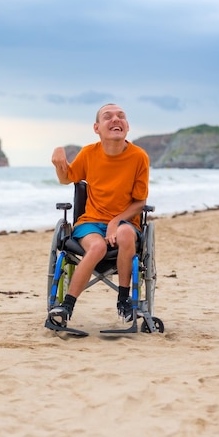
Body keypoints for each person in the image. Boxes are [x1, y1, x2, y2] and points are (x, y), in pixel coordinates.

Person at [49, 103, 149, 323]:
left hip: (126, 223)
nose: (116, 119)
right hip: (91, 223)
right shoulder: (89, 153)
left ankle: (124, 300)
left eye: (121, 116)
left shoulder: (139, 157)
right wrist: (58, 162)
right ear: (97, 128)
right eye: (108, 116)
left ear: (127, 126)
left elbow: (140, 201)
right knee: (97, 246)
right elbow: (66, 178)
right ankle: (67, 306)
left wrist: (116, 221)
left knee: (123, 234)